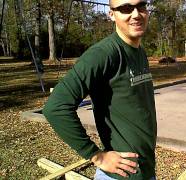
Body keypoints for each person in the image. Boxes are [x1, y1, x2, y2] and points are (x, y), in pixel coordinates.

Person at [42, 0, 157, 179]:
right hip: (120, 175)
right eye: (126, 8)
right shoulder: (103, 54)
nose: (136, 14)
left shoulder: (139, 51)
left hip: (145, 169)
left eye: (141, 6)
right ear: (111, 14)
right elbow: (55, 107)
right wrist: (97, 156)